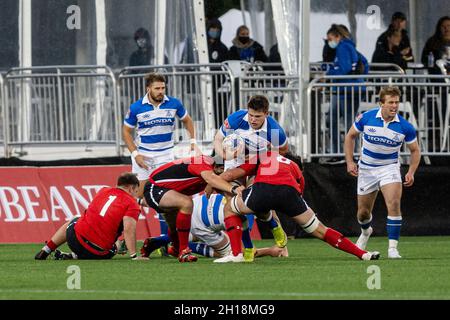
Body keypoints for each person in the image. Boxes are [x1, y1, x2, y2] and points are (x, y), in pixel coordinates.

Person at [213, 151, 380, 263]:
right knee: (321, 230)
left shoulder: (265, 156)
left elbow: (230, 175)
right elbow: (299, 189)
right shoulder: (293, 167)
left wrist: (211, 183)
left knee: (230, 209)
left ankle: (237, 254)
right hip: (289, 194)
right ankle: (362, 254)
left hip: (262, 190)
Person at [344, 86, 421, 259]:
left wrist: (411, 172)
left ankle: (392, 248)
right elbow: (350, 136)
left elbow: (415, 151)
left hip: (390, 168)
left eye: (397, 102)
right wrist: (350, 161)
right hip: (367, 169)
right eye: (390, 102)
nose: (394, 106)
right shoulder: (367, 118)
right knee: (363, 213)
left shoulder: (405, 127)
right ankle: (366, 232)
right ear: (381, 104)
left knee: (393, 203)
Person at [122, 73, 200, 244]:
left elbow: (187, 121)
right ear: (148, 88)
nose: (161, 91)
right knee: (138, 197)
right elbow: (126, 132)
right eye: (157, 88)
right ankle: (121, 238)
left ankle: (166, 240)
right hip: (144, 157)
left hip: (166, 156)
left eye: (163, 88)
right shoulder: (136, 107)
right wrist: (136, 155)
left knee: (163, 196)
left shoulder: (174, 103)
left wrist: (193, 142)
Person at [141, 154, 245, 262]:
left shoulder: (211, 172)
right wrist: (233, 188)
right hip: (155, 187)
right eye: (227, 172)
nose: (229, 175)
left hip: (170, 191)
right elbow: (212, 179)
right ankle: (184, 251)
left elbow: (219, 186)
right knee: (186, 203)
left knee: (174, 228)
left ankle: (160, 246)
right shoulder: (202, 162)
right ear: (220, 168)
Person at [140, 192, 288, 261]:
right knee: (226, 252)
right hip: (201, 223)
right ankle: (178, 248)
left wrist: (139, 201)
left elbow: (270, 214)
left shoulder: (245, 194)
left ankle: (162, 241)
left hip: (195, 204)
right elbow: (243, 251)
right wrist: (270, 250)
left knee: (194, 230)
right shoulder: (246, 219)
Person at [34, 173, 147, 261]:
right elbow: (129, 230)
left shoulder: (103, 190)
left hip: (74, 239)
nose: (135, 195)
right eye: (136, 191)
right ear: (131, 188)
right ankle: (117, 246)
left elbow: (118, 198)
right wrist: (134, 256)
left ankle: (47, 249)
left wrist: (139, 200)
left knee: (75, 219)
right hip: (97, 252)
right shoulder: (132, 204)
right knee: (117, 242)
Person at [324, 24, 369, 164]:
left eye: (330, 39)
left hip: (347, 90)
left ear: (337, 36)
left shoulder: (343, 46)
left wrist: (327, 74)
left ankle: (346, 154)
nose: (329, 42)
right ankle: (343, 152)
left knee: (344, 121)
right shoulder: (350, 46)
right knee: (335, 120)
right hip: (348, 89)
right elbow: (365, 63)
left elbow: (345, 68)